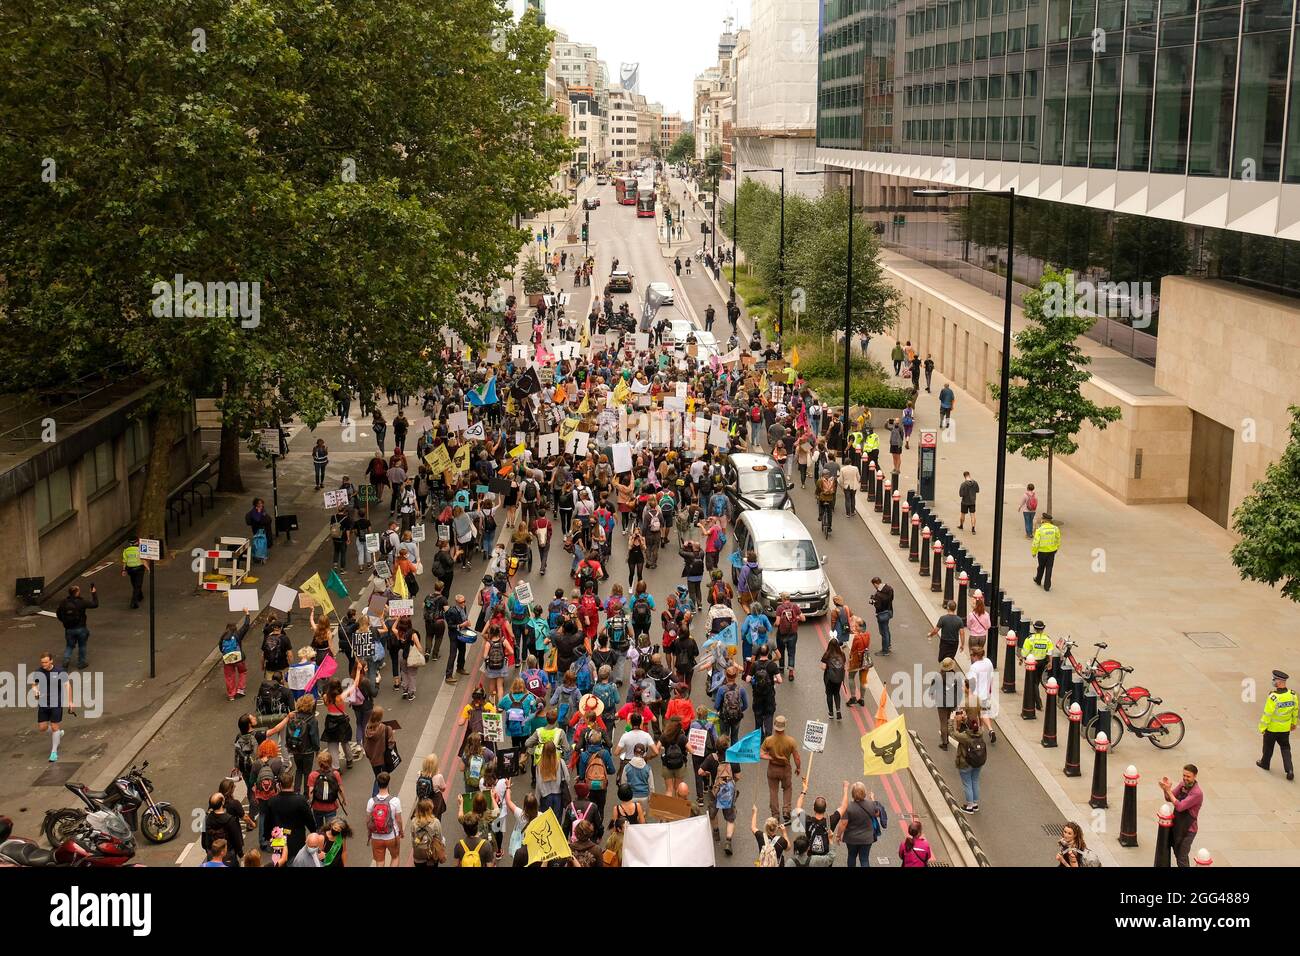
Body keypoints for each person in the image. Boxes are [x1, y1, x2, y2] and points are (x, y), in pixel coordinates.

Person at [1159, 765, 1203, 867]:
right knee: (1178, 854)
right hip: (1178, 825)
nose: (1185, 778)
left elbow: (1180, 806)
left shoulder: (1197, 793)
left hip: (1188, 830)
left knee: (1182, 857)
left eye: (1188, 776)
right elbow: (1169, 798)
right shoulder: (1182, 785)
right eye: (1184, 775)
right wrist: (1165, 788)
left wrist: (1169, 791)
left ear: (1195, 776)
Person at [760, 715, 801, 823]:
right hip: (785, 769)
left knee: (773, 791)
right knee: (787, 788)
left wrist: (770, 757)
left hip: (772, 769)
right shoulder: (791, 741)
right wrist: (798, 767)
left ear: (774, 727)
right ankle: (786, 810)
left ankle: (775, 814)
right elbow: (796, 757)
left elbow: (760, 754)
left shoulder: (768, 740)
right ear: (784, 727)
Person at [1257, 669, 1296, 780]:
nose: (1273, 681)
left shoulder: (1273, 697)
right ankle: (1289, 770)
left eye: (1274, 679)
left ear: (1279, 681)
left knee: (1268, 747)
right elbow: (1295, 711)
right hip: (1285, 729)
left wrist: (1262, 727)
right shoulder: (1292, 695)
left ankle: (1265, 763)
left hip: (1272, 729)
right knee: (1285, 748)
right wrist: (1293, 723)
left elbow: (1267, 714)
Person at [836, 781, 884, 868]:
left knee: (851, 856)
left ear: (853, 793)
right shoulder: (871, 804)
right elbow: (877, 814)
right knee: (864, 859)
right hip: (867, 838)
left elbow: (843, 824)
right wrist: (873, 799)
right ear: (864, 793)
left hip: (851, 839)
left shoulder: (848, 806)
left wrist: (838, 836)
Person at [950, 706, 986, 814]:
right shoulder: (979, 733)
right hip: (978, 762)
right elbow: (971, 725)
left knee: (967, 783)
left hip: (966, 763)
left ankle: (969, 806)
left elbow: (952, 732)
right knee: (975, 781)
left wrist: (952, 719)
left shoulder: (965, 737)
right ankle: (975, 804)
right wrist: (965, 719)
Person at [55, 583, 98, 670]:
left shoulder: (63, 602)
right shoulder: (81, 602)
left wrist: (64, 621)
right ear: (77, 592)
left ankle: (66, 659)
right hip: (81, 628)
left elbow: (58, 614)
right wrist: (94, 593)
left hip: (69, 629)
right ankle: (81, 663)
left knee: (69, 646)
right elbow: (95, 604)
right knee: (82, 645)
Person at [365, 771, 403, 867]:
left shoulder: (371, 801)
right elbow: (398, 820)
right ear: (388, 783)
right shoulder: (395, 801)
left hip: (376, 836)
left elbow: (367, 820)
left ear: (377, 783)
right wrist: (401, 831)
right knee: (395, 857)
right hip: (391, 836)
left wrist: (370, 832)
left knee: (380, 862)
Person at [202, 792, 243, 866]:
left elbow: (204, 837)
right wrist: (240, 853)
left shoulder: (207, 818)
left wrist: (208, 850)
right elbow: (236, 839)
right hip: (228, 853)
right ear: (222, 803)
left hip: (212, 853)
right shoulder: (230, 820)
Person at [933, 657, 964, 750]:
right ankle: (953, 737)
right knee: (949, 720)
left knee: (943, 722)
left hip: (941, 702)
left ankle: (945, 742)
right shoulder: (956, 677)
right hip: (952, 702)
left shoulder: (938, 676)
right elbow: (960, 692)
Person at [410, 798, 446, 867]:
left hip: (418, 854)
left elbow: (412, 838)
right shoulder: (435, 822)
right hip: (432, 854)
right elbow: (440, 839)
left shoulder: (414, 822)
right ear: (430, 810)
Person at [1032, 513, 1061, 591]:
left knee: (1041, 567)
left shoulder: (1040, 530)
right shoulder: (1055, 529)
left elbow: (1036, 542)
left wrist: (1034, 552)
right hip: (1052, 552)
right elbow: (1058, 539)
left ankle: (1038, 580)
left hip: (1042, 552)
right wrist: (1057, 548)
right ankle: (1047, 586)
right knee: (1049, 568)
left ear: (1044, 520)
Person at [820, 637, 847, 720]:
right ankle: (838, 710)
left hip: (829, 678)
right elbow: (844, 664)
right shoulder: (842, 654)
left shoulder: (827, 654)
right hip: (839, 678)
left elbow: (823, 667)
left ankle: (831, 713)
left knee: (829, 694)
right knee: (836, 693)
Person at [869, 577, 894, 656]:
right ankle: (888, 645)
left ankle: (885, 650)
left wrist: (873, 602)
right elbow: (890, 599)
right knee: (887, 629)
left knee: (883, 632)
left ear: (876, 584)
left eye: (874, 585)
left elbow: (878, 606)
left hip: (882, 614)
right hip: (889, 611)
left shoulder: (878, 595)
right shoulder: (889, 589)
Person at [120, 538, 145, 610]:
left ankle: (140, 595)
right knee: (138, 584)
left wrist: (123, 570)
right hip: (139, 568)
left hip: (130, 570)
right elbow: (143, 560)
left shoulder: (126, 551)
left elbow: (125, 561)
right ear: (137, 542)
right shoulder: (140, 550)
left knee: (134, 583)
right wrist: (148, 567)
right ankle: (134, 602)